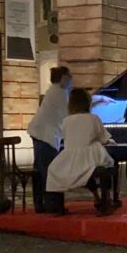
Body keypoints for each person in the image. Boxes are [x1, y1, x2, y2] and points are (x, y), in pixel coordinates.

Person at [44, 85, 120, 214]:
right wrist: (111, 141)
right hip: (91, 156)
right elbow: (103, 138)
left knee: (53, 169)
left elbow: (66, 138)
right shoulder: (93, 118)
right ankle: (106, 201)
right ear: (87, 102)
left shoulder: (66, 120)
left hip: (71, 157)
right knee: (103, 165)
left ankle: (58, 206)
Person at [28, 66, 72, 215]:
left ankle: (40, 204)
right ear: (63, 78)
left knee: (41, 172)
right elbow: (70, 114)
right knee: (49, 172)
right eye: (69, 77)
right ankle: (51, 205)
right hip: (45, 136)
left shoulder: (54, 91)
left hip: (41, 133)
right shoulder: (60, 93)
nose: (71, 79)